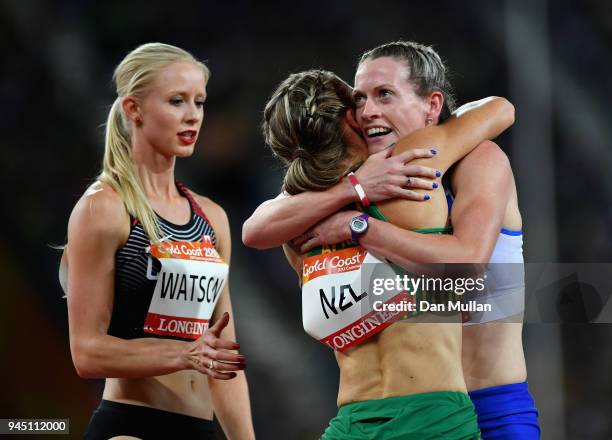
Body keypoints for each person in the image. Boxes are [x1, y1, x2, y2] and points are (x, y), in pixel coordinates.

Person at [245, 41, 540, 438]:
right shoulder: (363, 180)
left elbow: (466, 267)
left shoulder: (477, 159)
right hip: (400, 406)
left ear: (432, 106)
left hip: (490, 406)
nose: (368, 111)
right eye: (359, 99)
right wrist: (354, 189)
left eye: (384, 95)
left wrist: (359, 228)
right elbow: (258, 226)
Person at [60, 43, 254, 440]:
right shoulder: (103, 210)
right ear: (134, 109)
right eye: (176, 101)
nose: (193, 116)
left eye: (199, 102)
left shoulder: (211, 217)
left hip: (201, 429)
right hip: (132, 427)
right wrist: (183, 354)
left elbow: (224, 354)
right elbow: (86, 352)